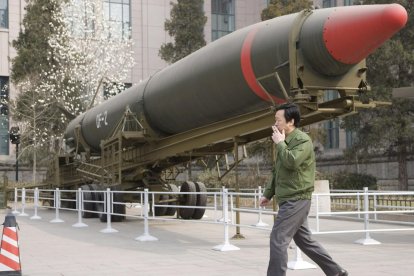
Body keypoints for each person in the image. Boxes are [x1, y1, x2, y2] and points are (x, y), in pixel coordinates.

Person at [259, 103, 348, 276]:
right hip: (290, 198)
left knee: (278, 239)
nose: (275, 124)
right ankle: (336, 272)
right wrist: (268, 194)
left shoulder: (302, 140)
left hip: (296, 198)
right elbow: (278, 171)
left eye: (278, 120)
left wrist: (280, 144)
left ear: (290, 121)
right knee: (305, 241)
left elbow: (292, 162)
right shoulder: (285, 140)